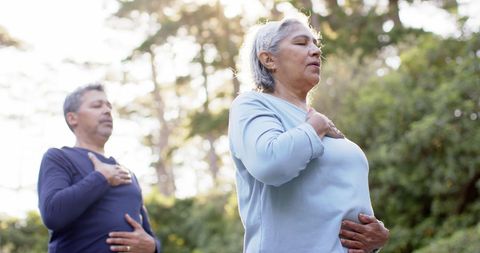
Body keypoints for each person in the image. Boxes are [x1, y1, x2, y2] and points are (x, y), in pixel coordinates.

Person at [228, 16, 389, 253]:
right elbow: (269, 163)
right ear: (268, 59)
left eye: (316, 45)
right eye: (302, 43)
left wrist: (376, 236)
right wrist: (316, 127)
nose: (315, 51)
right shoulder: (251, 105)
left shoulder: (315, 120)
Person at [37, 84, 162, 253]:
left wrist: (153, 246)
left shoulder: (128, 173)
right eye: (97, 106)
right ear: (72, 118)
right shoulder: (59, 158)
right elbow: (52, 214)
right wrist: (101, 178)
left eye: (109, 106)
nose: (107, 111)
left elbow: (147, 234)